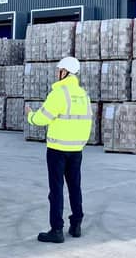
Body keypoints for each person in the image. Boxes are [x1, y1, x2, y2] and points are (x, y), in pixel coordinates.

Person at [25, 56, 92, 243]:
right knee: (75, 187)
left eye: (58, 70)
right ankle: (76, 224)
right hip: (76, 149)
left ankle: (56, 230)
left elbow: (42, 118)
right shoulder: (83, 95)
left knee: (56, 190)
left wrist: (30, 116)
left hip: (57, 149)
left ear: (65, 72)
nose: (57, 74)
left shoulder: (59, 93)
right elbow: (88, 121)